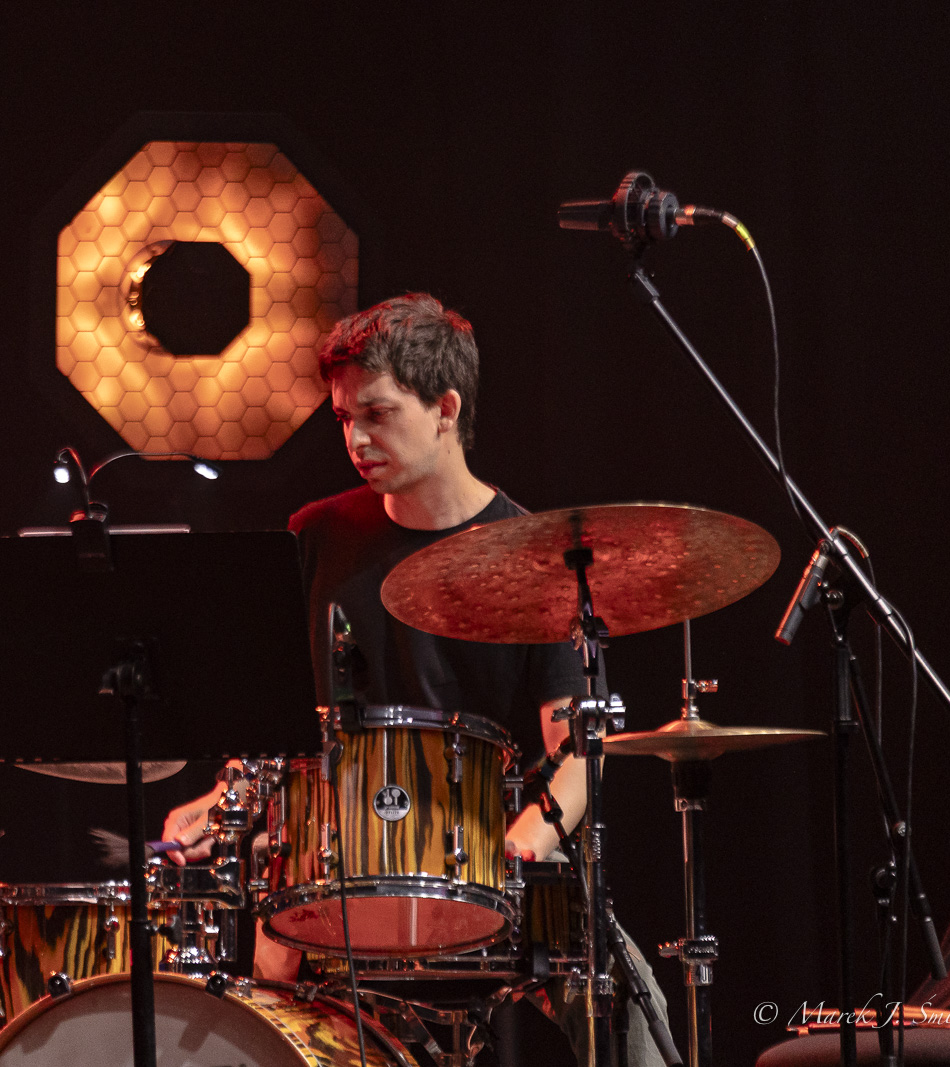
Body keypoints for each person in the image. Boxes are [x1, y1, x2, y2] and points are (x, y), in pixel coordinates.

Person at [162, 293, 667, 1064]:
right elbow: (280, 725)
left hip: (491, 853)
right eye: (343, 419)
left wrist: (523, 845)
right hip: (337, 854)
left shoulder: (535, 554)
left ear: (445, 408)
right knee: (254, 992)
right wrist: (223, 798)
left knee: (630, 1012)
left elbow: (577, 753)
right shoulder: (316, 537)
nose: (355, 439)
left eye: (377, 414)